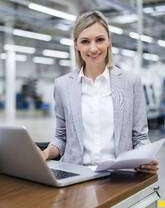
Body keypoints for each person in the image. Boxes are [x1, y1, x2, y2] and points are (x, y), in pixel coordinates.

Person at [39, 10, 158, 174]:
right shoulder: (62, 85)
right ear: (76, 44)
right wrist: (45, 153)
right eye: (85, 41)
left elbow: (140, 137)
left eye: (100, 40)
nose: (93, 48)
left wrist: (145, 158)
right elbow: (61, 137)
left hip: (119, 175)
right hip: (75, 174)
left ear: (109, 41)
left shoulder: (130, 82)